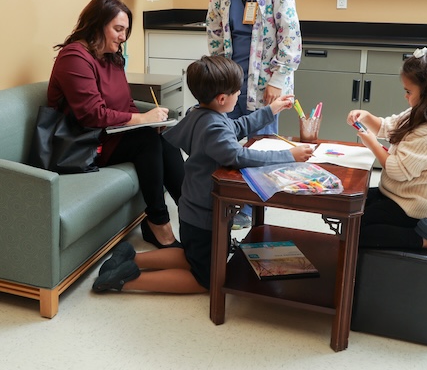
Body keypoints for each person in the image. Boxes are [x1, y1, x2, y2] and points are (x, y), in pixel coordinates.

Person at [91, 55, 314, 293]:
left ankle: (132, 258)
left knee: (192, 255)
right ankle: (125, 280)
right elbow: (238, 156)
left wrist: (270, 110)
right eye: (237, 93)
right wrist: (289, 156)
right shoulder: (214, 127)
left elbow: (237, 127)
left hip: (193, 210)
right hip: (204, 216)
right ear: (221, 99)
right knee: (206, 279)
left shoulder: (202, 114)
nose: (239, 95)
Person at [47, 0, 184, 248]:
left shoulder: (111, 56)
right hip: (82, 144)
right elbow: (92, 114)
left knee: (163, 136)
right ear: (97, 25)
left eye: (126, 31)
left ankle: (192, 215)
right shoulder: (74, 58)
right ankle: (158, 224)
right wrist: (141, 119)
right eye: (118, 29)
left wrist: (150, 121)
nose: (123, 37)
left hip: (108, 135)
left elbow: (124, 103)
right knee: (146, 141)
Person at [205, 0, 303, 230]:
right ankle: (229, 200)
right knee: (228, 139)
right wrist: (218, 79)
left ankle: (253, 206)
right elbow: (215, 34)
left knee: (260, 144)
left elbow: (291, 37)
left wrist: (278, 80)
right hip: (230, 80)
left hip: (267, 82)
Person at [346, 47, 427, 252]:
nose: (405, 96)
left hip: (411, 208)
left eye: (408, 91)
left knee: (358, 232)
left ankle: (426, 240)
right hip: (395, 194)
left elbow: (396, 170)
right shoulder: (419, 112)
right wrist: (367, 117)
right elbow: (387, 126)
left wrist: (372, 144)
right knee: (352, 209)